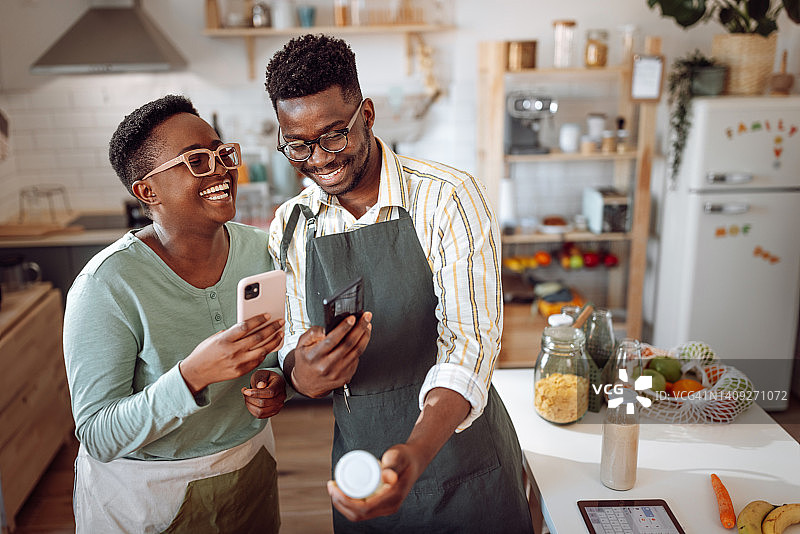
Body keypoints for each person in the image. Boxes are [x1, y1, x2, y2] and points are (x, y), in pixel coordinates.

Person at [263, 34, 533, 533]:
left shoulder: (448, 198)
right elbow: (294, 343)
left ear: (366, 114)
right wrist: (304, 372)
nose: (319, 159)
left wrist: (415, 453)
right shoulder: (292, 224)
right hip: (360, 469)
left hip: (462, 463)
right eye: (298, 144)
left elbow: (470, 345)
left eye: (333, 136)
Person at [63, 94, 286, 533]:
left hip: (251, 469)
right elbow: (98, 434)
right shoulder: (106, 285)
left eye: (221, 154)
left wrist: (279, 382)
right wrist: (191, 376)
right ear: (147, 191)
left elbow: (278, 357)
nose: (220, 170)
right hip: (146, 498)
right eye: (196, 161)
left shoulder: (264, 250)